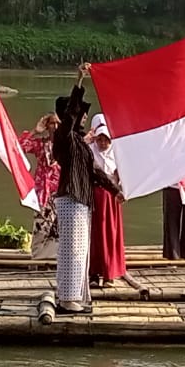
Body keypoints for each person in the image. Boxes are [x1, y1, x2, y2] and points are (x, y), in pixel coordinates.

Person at [52, 66, 96, 313]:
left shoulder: (80, 142)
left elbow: (94, 171)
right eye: (82, 113)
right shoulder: (64, 136)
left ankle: (72, 297)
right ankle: (68, 300)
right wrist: (79, 81)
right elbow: (69, 115)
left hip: (81, 199)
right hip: (70, 198)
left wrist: (116, 190)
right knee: (72, 250)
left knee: (80, 250)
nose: (84, 116)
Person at [87, 114, 127, 287]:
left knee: (110, 233)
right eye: (100, 140)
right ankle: (94, 273)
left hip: (111, 198)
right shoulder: (89, 151)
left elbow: (122, 174)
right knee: (95, 235)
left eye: (106, 140)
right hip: (94, 195)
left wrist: (121, 188)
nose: (103, 143)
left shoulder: (117, 153)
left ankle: (110, 273)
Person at [18, 112, 61, 259]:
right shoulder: (40, 144)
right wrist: (35, 131)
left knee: (59, 230)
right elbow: (19, 147)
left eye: (58, 123)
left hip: (61, 193)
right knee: (41, 228)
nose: (55, 127)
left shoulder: (67, 146)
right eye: (52, 123)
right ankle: (37, 259)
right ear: (47, 126)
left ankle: (56, 261)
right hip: (43, 193)